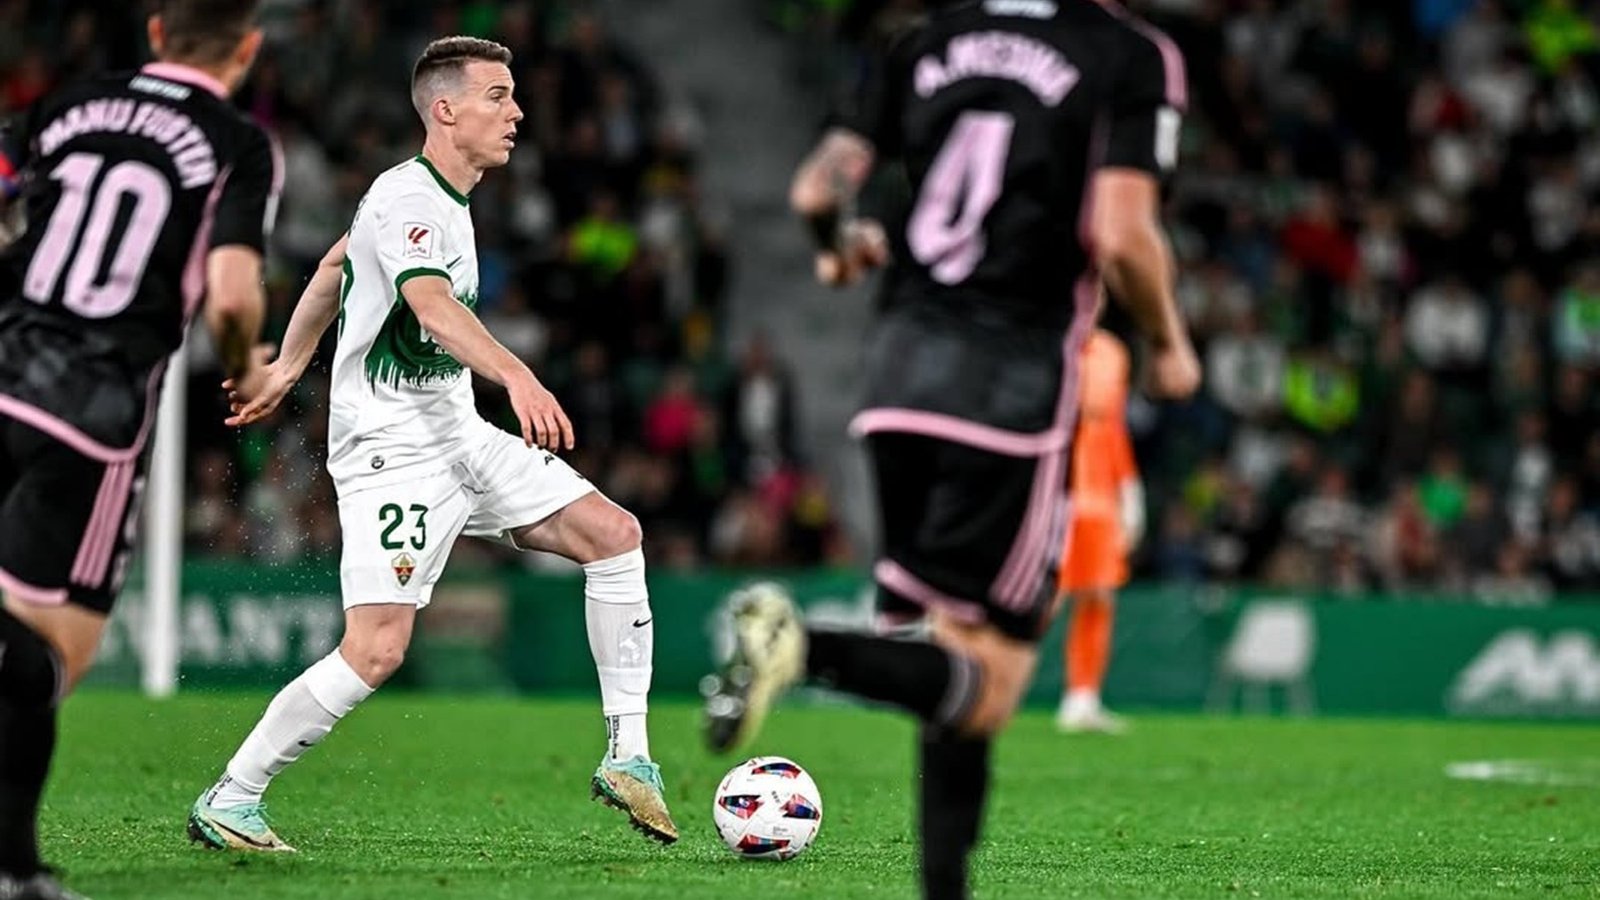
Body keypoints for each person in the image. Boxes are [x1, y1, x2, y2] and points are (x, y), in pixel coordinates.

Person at [701, 2, 1200, 899]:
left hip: (896, 377)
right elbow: (1124, 234)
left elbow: (816, 191)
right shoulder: (1130, 54)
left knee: (949, 661)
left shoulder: (925, 42)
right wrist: (1167, 343)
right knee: (991, 681)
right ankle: (800, 646)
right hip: (1010, 390)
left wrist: (839, 247)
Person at [187, 36, 677, 853]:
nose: (517, 113)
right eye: (498, 96)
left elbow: (335, 266)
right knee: (376, 651)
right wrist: (517, 375)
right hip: (393, 451)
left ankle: (629, 756)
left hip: (457, 434)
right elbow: (429, 307)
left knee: (614, 535)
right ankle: (232, 797)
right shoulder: (409, 197)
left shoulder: (441, 201)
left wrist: (288, 365)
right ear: (445, 110)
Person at [0, 1, 278, 896]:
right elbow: (231, 295)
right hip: (89, 410)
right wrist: (247, 364)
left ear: (157, 34)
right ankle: (14, 872)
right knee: (50, 652)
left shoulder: (68, 104)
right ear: (247, 48)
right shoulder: (236, 143)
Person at [1055, 329, 1143, 734]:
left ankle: (1083, 696)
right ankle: (989, 682)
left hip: (1101, 497)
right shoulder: (1046, 336)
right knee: (1040, 599)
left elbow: (1114, 426)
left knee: (1099, 594)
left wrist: (1128, 489)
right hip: (1055, 491)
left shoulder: (1112, 351)